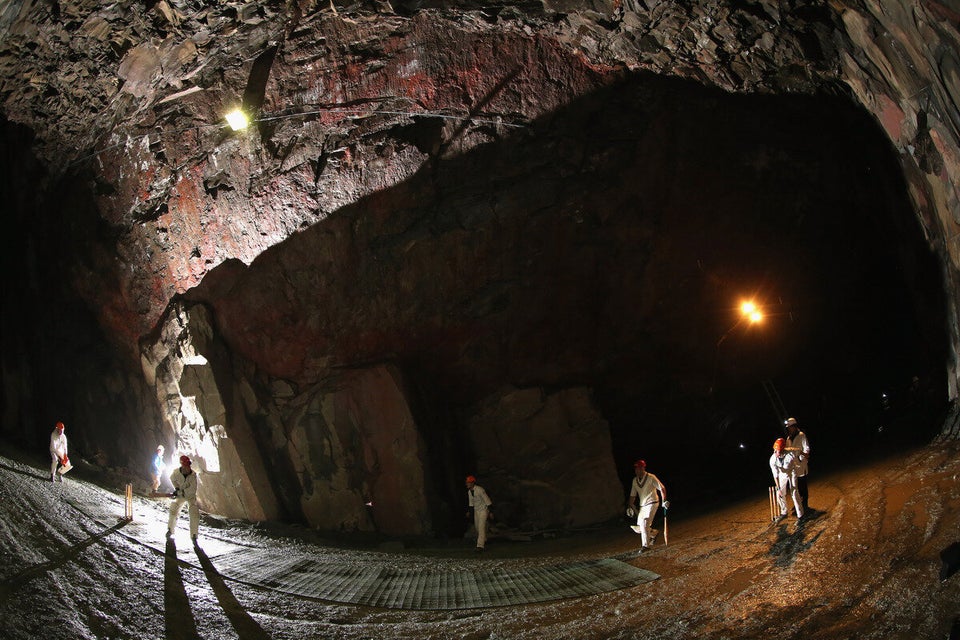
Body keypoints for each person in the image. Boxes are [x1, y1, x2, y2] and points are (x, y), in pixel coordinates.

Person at [626, 459, 668, 551]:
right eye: (636, 468)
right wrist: (630, 506)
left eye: (639, 468)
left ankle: (646, 546)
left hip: (652, 502)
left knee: (644, 523)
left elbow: (662, 488)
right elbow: (633, 495)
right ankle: (653, 533)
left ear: (643, 468)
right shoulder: (635, 480)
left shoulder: (651, 477)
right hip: (642, 505)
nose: (637, 470)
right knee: (639, 528)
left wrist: (664, 501)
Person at [167, 455, 200, 542]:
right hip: (181, 495)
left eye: (188, 465)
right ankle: (170, 530)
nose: (187, 467)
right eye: (185, 465)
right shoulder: (176, 472)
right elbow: (172, 479)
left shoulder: (193, 475)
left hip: (190, 496)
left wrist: (182, 491)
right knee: (174, 509)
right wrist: (177, 488)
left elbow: (193, 489)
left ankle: (194, 535)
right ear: (182, 465)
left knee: (194, 512)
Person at [769, 438, 803, 520]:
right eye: (775, 450)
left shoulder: (790, 454)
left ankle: (800, 514)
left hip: (792, 472)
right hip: (782, 474)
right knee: (779, 493)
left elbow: (799, 453)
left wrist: (801, 459)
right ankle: (784, 512)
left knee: (794, 492)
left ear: (783, 449)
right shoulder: (772, 459)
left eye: (779, 450)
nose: (777, 453)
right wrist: (778, 488)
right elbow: (775, 475)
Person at [784, 417, 811, 511]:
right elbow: (788, 451)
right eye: (788, 427)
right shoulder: (788, 438)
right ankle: (798, 504)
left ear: (794, 426)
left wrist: (802, 455)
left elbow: (806, 449)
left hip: (801, 463)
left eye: (790, 427)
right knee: (795, 486)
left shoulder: (801, 435)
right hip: (793, 465)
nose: (789, 429)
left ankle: (805, 505)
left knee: (803, 485)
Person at [465, 475, 493, 552]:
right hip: (476, 511)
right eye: (467, 482)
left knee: (481, 527)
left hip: (483, 510)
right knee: (477, 527)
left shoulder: (480, 490)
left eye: (468, 482)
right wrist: (469, 512)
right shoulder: (469, 492)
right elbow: (471, 504)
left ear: (473, 483)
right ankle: (484, 539)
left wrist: (490, 512)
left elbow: (488, 501)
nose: (467, 484)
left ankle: (480, 546)